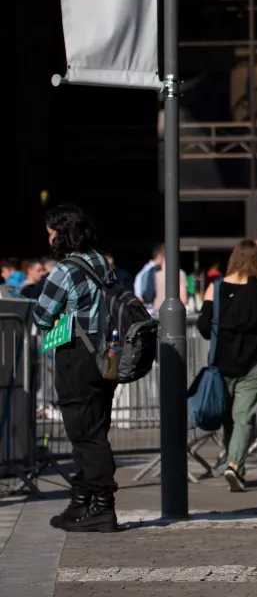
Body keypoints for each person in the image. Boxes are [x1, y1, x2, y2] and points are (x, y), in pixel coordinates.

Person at [33, 204, 121, 532]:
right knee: (93, 428)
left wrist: (59, 316)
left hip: (78, 357)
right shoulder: (100, 261)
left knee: (85, 435)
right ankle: (81, 502)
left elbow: (42, 316)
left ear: (62, 233)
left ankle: (102, 507)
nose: (49, 237)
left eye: (51, 232)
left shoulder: (64, 271)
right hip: (107, 355)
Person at [197, 239, 257, 492]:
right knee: (244, 417)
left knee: (229, 418)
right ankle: (234, 465)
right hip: (253, 362)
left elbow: (204, 328)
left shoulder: (215, 288)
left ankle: (234, 464)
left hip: (222, 363)